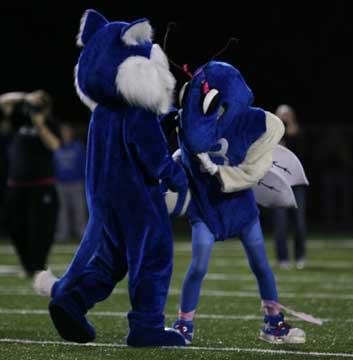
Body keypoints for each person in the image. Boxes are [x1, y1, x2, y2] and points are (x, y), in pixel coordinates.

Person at [36, 10, 188, 347]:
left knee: (110, 260)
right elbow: (150, 153)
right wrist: (176, 176)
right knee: (153, 256)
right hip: (137, 197)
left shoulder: (102, 112)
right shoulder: (137, 108)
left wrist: (163, 122)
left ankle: (72, 301)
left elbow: (123, 142)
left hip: (105, 198)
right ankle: (147, 326)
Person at [165, 61, 311, 344]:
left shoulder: (247, 123)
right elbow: (182, 153)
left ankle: (273, 322)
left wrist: (218, 171)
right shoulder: (190, 121)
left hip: (240, 206)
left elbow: (253, 169)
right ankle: (184, 325)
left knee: (261, 265)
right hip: (207, 207)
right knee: (198, 266)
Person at [0, 90, 60, 278]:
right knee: (15, 226)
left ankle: (38, 266)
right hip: (16, 185)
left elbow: (55, 146)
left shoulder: (51, 123)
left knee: (40, 228)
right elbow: (3, 100)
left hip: (41, 185)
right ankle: (27, 266)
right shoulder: (20, 119)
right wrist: (26, 97)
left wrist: (41, 126)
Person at [272, 104, 307, 269]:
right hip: (279, 185)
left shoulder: (299, 134)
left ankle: (300, 256)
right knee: (280, 224)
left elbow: (303, 156)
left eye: (287, 115)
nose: (285, 118)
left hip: (296, 185)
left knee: (299, 223)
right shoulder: (271, 134)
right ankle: (282, 258)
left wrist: (291, 130)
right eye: (281, 115)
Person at [53, 122, 87, 242]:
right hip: (60, 184)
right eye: (63, 131)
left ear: (71, 133)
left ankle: (82, 234)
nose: (65, 133)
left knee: (79, 210)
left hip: (76, 183)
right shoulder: (56, 146)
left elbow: (84, 165)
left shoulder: (78, 147)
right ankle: (62, 235)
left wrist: (84, 182)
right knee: (61, 212)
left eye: (67, 131)